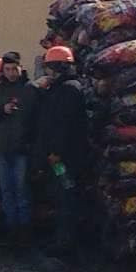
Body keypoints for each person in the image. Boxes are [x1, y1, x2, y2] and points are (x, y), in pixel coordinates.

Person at [34, 44, 91, 256]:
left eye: (49, 67)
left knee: (65, 195)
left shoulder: (68, 90)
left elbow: (63, 125)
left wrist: (55, 152)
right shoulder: (63, 88)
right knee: (61, 195)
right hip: (62, 155)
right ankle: (63, 239)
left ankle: (66, 242)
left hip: (64, 157)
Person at [0, 50, 38, 238]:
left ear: (20, 69)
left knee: (21, 189)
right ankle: (11, 227)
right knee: (7, 190)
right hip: (2, 147)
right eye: (8, 69)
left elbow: (37, 118)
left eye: (14, 69)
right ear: (3, 71)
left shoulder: (29, 90)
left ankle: (25, 228)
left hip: (21, 148)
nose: (12, 73)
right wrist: (2, 110)